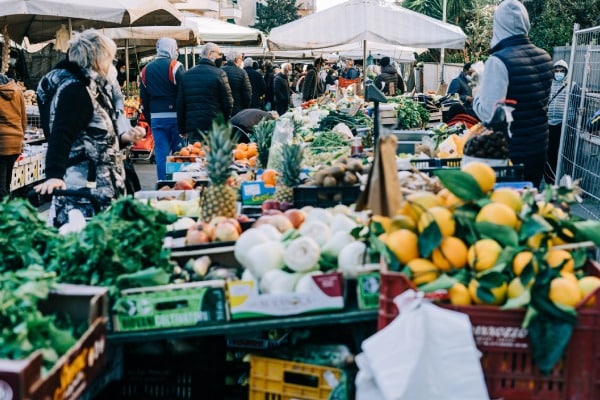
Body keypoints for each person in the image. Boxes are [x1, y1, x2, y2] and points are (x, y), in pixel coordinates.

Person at [34, 29, 146, 226]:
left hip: (100, 187)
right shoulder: (76, 90)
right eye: (109, 59)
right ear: (97, 59)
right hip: (85, 190)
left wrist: (124, 138)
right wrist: (54, 176)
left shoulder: (92, 88)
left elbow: (91, 135)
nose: (110, 65)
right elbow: (62, 134)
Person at [472, 0, 553, 188]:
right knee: (527, 203)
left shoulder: (499, 61)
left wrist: (477, 92)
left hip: (511, 153)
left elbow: (489, 114)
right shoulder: (545, 57)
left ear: (498, 25)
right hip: (539, 148)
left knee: (508, 208)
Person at [139, 37, 185, 181]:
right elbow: (183, 93)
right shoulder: (175, 66)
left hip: (156, 118)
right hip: (175, 117)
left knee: (161, 153)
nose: (176, 51)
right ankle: (177, 181)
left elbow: (143, 99)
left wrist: (149, 117)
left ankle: (163, 182)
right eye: (176, 48)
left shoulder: (146, 70)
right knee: (178, 153)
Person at [176, 42, 233, 143]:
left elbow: (180, 104)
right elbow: (228, 102)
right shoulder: (220, 74)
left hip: (193, 127)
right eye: (219, 54)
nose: (221, 57)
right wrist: (223, 122)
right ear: (210, 54)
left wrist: (182, 128)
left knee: (196, 155)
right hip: (214, 126)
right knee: (212, 156)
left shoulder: (186, 75)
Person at [545, 59, 580, 184]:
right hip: (549, 124)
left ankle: (569, 182)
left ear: (566, 72)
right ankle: (552, 181)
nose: (559, 73)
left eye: (562, 71)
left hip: (566, 125)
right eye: (556, 70)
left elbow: (578, 105)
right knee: (550, 154)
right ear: (553, 71)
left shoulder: (573, 85)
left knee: (567, 155)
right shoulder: (547, 84)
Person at [0, 72, 26, 198]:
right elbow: (23, 118)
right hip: (15, 141)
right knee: (6, 183)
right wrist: (21, 139)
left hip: (2, 144)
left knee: (1, 186)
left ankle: (4, 214)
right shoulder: (17, 90)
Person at [222, 51, 252, 116]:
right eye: (241, 59)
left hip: (222, 109)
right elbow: (247, 94)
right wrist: (246, 108)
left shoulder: (219, 71)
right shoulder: (242, 73)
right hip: (238, 109)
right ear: (237, 60)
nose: (242, 61)